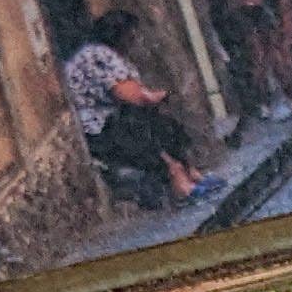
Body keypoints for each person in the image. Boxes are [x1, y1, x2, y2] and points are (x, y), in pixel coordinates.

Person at [64, 12, 207, 210]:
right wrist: (159, 95)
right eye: (131, 34)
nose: (134, 39)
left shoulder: (106, 55)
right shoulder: (98, 55)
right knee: (144, 124)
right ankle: (180, 181)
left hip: (109, 123)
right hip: (100, 130)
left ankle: (188, 173)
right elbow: (131, 95)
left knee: (160, 121)